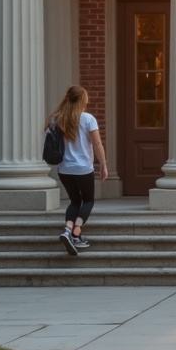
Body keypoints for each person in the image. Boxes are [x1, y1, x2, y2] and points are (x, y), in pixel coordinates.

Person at [48, 85, 108, 256]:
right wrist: (103, 165)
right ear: (82, 99)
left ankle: (67, 230)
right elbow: (97, 143)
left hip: (64, 169)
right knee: (88, 201)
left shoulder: (58, 119)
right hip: (83, 169)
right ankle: (76, 232)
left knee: (74, 201)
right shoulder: (88, 119)